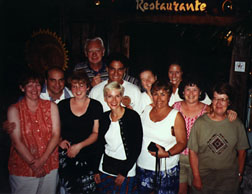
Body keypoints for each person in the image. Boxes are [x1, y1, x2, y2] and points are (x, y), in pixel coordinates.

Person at [188, 82, 249, 194]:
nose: (219, 103)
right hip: (204, 177)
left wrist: (239, 173)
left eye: (223, 99)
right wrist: (196, 177)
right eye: (216, 99)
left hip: (228, 180)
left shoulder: (236, 124)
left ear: (229, 102)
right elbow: (192, 152)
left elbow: (242, 151)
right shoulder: (200, 123)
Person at [7, 69, 60, 194]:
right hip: (23, 169)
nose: (34, 88)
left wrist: (41, 161)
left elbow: (56, 135)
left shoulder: (51, 106)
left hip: (50, 165)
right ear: (22, 88)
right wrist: (34, 164)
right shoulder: (14, 110)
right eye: (29, 85)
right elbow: (17, 141)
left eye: (37, 84)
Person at [137, 79, 187, 194]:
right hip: (143, 166)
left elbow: (182, 142)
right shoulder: (146, 110)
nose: (159, 98)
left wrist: (167, 153)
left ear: (169, 96)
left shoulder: (175, 116)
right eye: (155, 94)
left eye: (163, 94)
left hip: (166, 168)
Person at [57, 70, 103, 193]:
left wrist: (79, 146)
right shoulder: (62, 105)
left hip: (88, 155)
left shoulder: (95, 106)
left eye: (81, 85)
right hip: (67, 155)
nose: (78, 89)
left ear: (88, 87)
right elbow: (56, 130)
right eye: (74, 86)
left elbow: (96, 133)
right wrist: (59, 141)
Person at [94, 81, 143, 193]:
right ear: (105, 98)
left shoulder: (132, 116)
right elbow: (99, 145)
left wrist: (124, 172)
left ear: (122, 97)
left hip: (126, 171)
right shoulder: (104, 117)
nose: (114, 100)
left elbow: (136, 147)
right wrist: (95, 169)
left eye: (117, 96)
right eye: (110, 96)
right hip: (105, 169)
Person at [74, 37, 139, 87]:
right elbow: (74, 92)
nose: (94, 55)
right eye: (90, 51)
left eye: (97, 50)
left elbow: (132, 82)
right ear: (86, 53)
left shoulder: (111, 68)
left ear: (103, 52)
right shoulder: (79, 68)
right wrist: (91, 87)